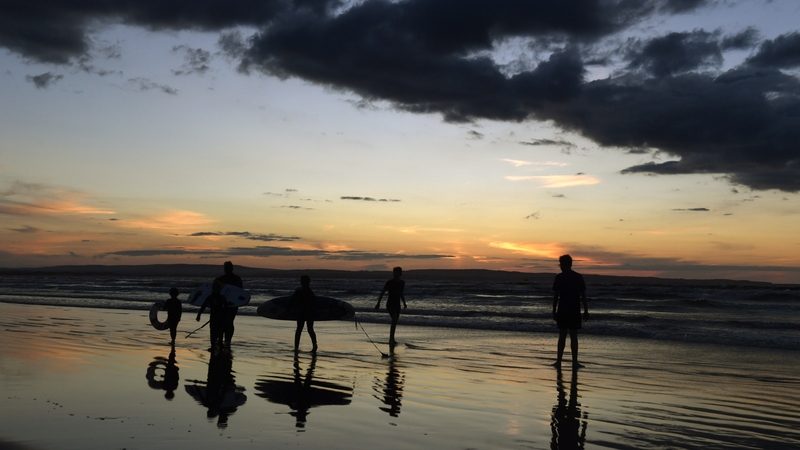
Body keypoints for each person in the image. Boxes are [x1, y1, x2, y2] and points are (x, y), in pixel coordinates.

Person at [552, 254, 589, 368]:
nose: (560, 267)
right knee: (574, 336)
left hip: (563, 309)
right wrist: (586, 310)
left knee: (562, 335)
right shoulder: (578, 277)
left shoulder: (559, 277)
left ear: (564, 264)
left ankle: (559, 361)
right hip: (574, 309)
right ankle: (574, 362)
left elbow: (556, 296)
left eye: (560, 264)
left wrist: (554, 310)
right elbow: (583, 295)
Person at [375, 267, 407, 346]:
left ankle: (392, 338)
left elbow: (401, 293)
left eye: (397, 272)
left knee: (395, 321)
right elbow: (382, 292)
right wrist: (378, 303)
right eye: (394, 272)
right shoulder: (389, 282)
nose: (395, 274)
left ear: (400, 274)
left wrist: (404, 303)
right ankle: (391, 339)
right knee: (394, 318)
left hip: (397, 304)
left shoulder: (402, 283)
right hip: (390, 304)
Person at [215, 261, 243, 348]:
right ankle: (228, 341)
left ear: (224, 269)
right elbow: (241, 292)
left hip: (222, 305)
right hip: (233, 305)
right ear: (232, 268)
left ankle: (220, 341)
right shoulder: (237, 279)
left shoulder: (220, 279)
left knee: (221, 322)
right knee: (230, 322)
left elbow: (216, 291)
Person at [196, 280, 228, 351]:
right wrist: (226, 315)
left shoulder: (210, 297)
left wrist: (199, 315)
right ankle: (220, 344)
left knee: (213, 331)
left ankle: (213, 345)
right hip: (220, 316)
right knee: (220, 330)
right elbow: (226, 307)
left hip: (213, 316)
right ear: (220, 289)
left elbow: (203, 306)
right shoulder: (221, 297)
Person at [292, 275, 317, 352]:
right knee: (309, 329)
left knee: (300, 330)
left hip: (303, 312)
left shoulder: (299, 291)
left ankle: (297, 347)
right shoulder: (310, 291)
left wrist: (288, 309)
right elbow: (313, 303)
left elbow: (292, 300)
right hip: (308, 312)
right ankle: (314, 345)